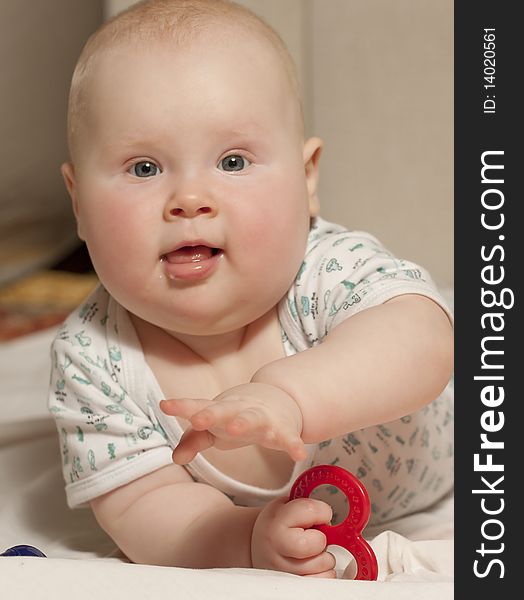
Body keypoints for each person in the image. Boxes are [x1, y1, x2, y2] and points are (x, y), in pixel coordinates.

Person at [48, 0, 454, 578]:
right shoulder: (91, 360)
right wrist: (245, 541)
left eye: (233, 161)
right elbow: (145, 506)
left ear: (307, 178)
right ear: (78, 203)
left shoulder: (328, 270)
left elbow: (425, 344)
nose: (189, 198)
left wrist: (291, 397)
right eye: (144, 168)